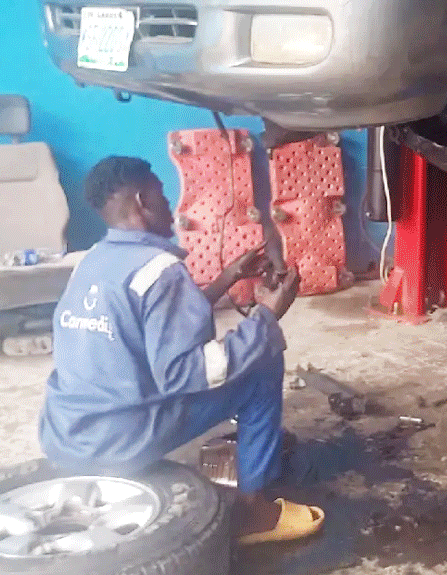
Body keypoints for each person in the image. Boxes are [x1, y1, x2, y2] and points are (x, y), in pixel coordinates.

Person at [40, 155, 325, 545]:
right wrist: (267, 316)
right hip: (120, 438)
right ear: (142, 200)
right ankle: (254, 511)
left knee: (248, 357)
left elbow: (150, 327)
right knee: (263, 364)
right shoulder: (159, 269)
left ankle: (250, 456)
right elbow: (184, 375)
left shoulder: (90, 261)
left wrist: (228, 278)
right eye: (162, 194)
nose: (171, 205)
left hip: (66, 434)